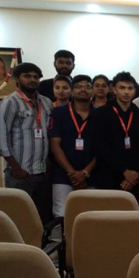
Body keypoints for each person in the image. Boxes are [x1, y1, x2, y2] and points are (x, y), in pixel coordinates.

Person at [92, 71, 139, 215]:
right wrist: (124, 171)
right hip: (110, 176)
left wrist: (134, 174)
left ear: (135, 91)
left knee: (136, 218)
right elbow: (101, 147)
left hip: (137, 178)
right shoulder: (101, 114)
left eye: (130, 88)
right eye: (122, 88)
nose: (126, 92)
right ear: (114, 89)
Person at [0, 62, 53, 223]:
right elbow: (1, 139)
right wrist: (16, 169)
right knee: (19, 218)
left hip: (42, 173)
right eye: (27, 76)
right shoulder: (9, 103)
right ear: (17, 79)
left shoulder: (46, 102)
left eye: (36, 77)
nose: (32, 80)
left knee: (42, 218)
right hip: (20, 174)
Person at [49, 74, 96, 215]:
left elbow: (103, 149)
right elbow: (55, 145)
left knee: (91, 216)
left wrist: (85, 173)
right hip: (63, 175)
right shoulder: (59, 113)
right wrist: (73, 173)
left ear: (93, 90)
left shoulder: (100, 115)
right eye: (78, 87)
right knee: (62, 215)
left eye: (87, 86)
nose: (83, 90)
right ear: (72, 91)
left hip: (92, 175)